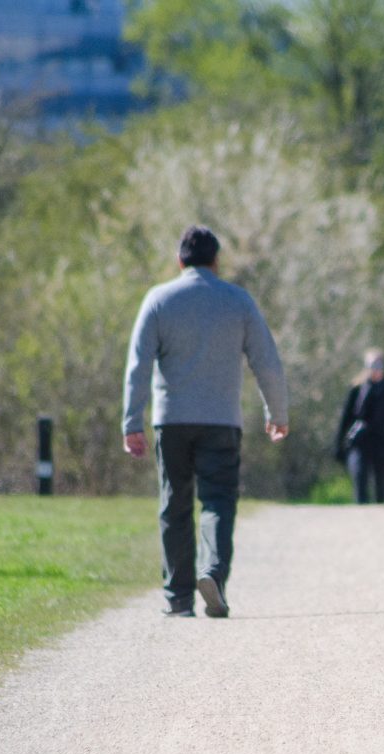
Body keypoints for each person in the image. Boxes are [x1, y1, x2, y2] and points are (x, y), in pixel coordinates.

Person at [123, 225, 289, 618]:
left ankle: (178, 598)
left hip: (172, 420)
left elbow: (138, 365)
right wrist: (277, 413)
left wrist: (132, 422)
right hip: (221, 421)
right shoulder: (238, 301)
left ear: (179, 260)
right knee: (217, 501)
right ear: (216, 262)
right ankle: (212, 573)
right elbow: (266, 360)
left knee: (174, 504)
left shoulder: (159, 299)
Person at [334, 348, 384, 504]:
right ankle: (361, 519)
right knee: (359, 479)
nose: (376, 370)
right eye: (372, 366)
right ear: (366, 367)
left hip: (382, 443)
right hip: (360, 442)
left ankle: (379, 522)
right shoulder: (356, 391)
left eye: (379, 366)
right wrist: (338, 445)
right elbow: (345, 420)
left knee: (382, 488)